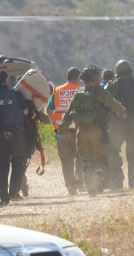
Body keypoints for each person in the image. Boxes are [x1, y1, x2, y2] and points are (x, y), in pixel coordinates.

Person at [58, 65, 126, 197]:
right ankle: (99, 173)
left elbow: (68, 115)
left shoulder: (78, 94)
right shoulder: (100, 92)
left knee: (87, 162)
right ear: (95, 79)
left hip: (81, 133)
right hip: (98, 131)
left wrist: (61, 132)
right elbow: (113, 103)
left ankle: (91, 190)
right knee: (102, 158)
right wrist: (123, 112)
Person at [0, 69, 29, 206]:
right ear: (6, 79)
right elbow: (25, 111)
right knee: (18, 163)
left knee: (1, 167)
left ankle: (4, 198)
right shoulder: (16, 94)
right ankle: (14, 193)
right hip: (16, 136)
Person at [105, 60, 134, 189]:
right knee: (133, 153)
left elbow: (106, 103)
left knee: (113, 151)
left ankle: (118, 179)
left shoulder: (113, 85)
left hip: (118, 122)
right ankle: (132, 182)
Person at [47, 67, 85, 195]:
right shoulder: (80, 91)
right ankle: (80, 182)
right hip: (77, 132)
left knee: (66, 161)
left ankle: (71, 188)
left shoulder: (57, 90)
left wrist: (54, 122)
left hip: (61, 133)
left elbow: (49, 110)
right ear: (77, 78)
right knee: (80, 157)